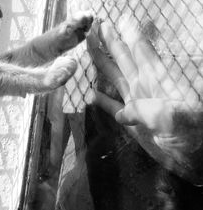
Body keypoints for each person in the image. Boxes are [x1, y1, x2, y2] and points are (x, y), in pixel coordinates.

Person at [86, 15, 203, 186]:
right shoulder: (167, 115)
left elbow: (129, 114)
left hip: (160, 114)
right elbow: (126, 114)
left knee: (132, 58)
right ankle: (115, 31)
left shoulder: (177, 112)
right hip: (156, 109)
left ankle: (114, 30)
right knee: (133, 60)